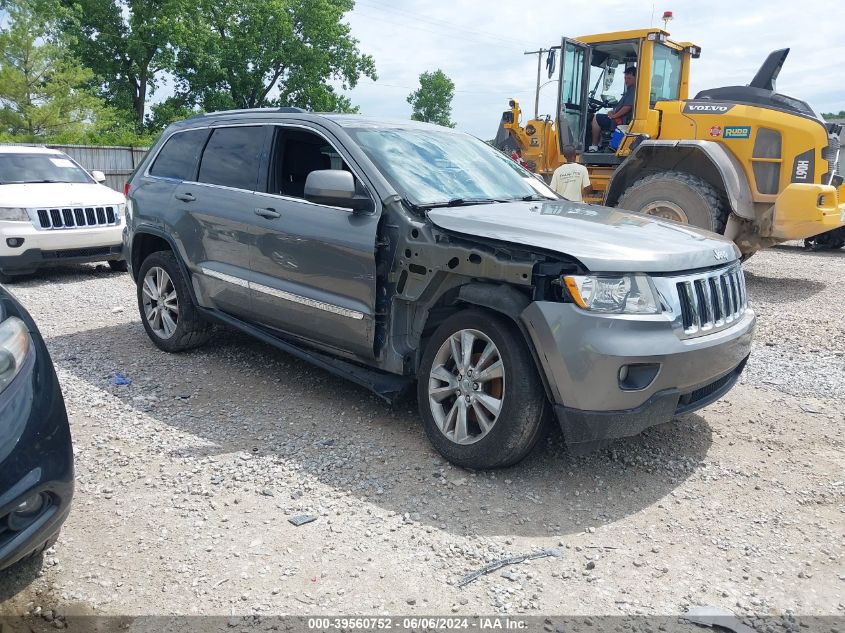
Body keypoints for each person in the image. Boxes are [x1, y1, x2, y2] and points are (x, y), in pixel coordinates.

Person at [588, 66, 636, 152]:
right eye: (625, 78)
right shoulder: (629, 90)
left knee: (596, 118)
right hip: (619, 118)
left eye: (629, 78)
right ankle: (600, 144)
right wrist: (612, 112)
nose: (626, 81)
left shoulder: (633, 90)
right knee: (603, 117)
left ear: (636, 78)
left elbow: (627, 107)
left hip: (621, 121)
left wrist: (614, 116)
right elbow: (621, 107)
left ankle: (594, 146)